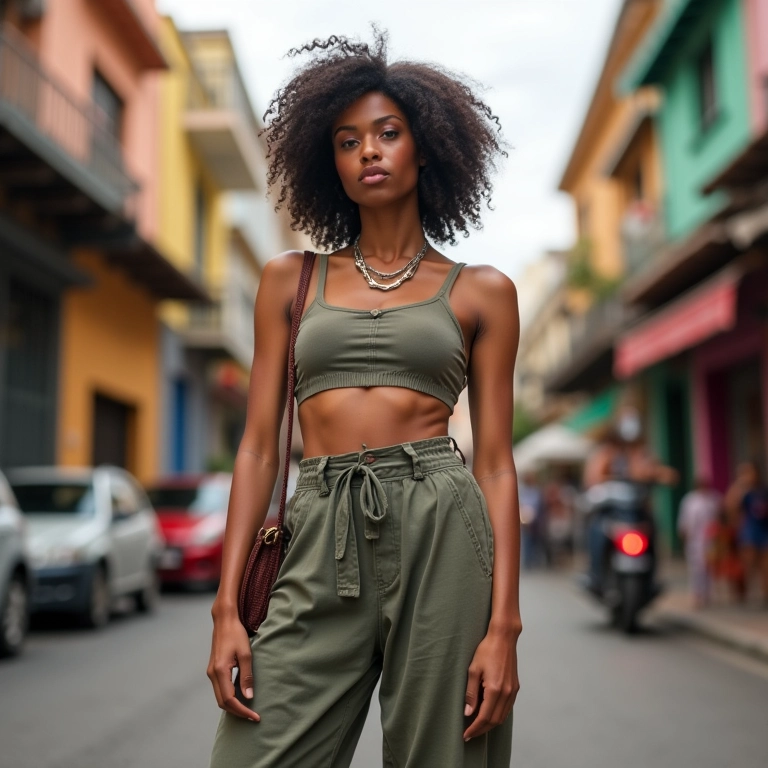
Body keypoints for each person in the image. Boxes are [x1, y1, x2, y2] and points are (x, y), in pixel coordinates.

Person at [206, 31, 520, 768]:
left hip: (441, 521)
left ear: (425, 149)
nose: (369, 152)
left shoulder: (483, 292)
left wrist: (504, 625)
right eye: (348, 142)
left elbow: (499, 464)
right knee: (254, 752)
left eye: (387, 133)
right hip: (319, 525)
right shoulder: (291, 279)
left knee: (444, 754)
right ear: (331, 163)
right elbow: (257, 446)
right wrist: (226, 609)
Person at [582, 407, 677, 594]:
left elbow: (664, 474)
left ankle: (651, 578)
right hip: (613, 511)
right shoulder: (607, 453)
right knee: (597, 529)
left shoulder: (643, 454)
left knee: (652, 529)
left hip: (636, 512)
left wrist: (656, 475)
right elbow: (593, 477)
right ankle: (596, 574)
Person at [727, 461, 768, 603]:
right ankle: (743, 592)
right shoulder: (743, 492)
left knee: (765, 565)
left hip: (764, 532)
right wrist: (739, 486)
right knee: (747, 565)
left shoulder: (762, 490)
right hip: (749, 533)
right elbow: (730, 507)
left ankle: (764, 594)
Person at [677, 478, 722, 608]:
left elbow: (718, 517)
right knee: (696, 567)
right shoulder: (689, 500)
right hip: (694, 539)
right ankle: (697, 594)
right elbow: (684, 521)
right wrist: (684, 537)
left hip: (710, 539)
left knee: (709, 566)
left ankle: (708, 594)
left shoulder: (713, 499)